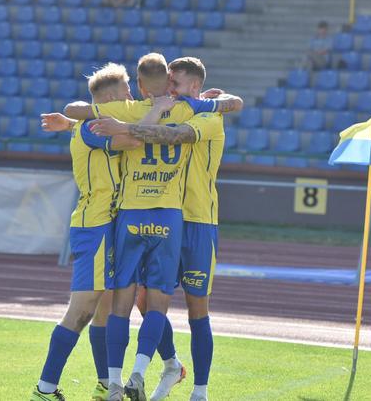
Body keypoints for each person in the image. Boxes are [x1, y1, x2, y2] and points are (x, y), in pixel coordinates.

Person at [65, 54, 240, 401]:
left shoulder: (206, 115)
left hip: (199, 221)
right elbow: (80, 110)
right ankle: (169, 364)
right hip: (167, 216)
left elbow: (176, 135)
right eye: (166, 82)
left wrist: (125, 127)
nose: (167, 89)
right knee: (146, 299)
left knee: (197, 308)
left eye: (174, 84)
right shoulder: (173, 106)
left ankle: (200, 391)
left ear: (194, 86)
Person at [29, 63, 175, 401]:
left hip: (109, 225)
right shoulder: (95, 127)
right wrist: (155, 110)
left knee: (105, 311)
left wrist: (69, 123)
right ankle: (45, 389)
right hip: (95, 227)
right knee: (80, 310)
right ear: (110, 98)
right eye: (125, 92)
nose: (130, 96)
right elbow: (133, 139)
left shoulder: (90, 124)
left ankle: (103, 383)